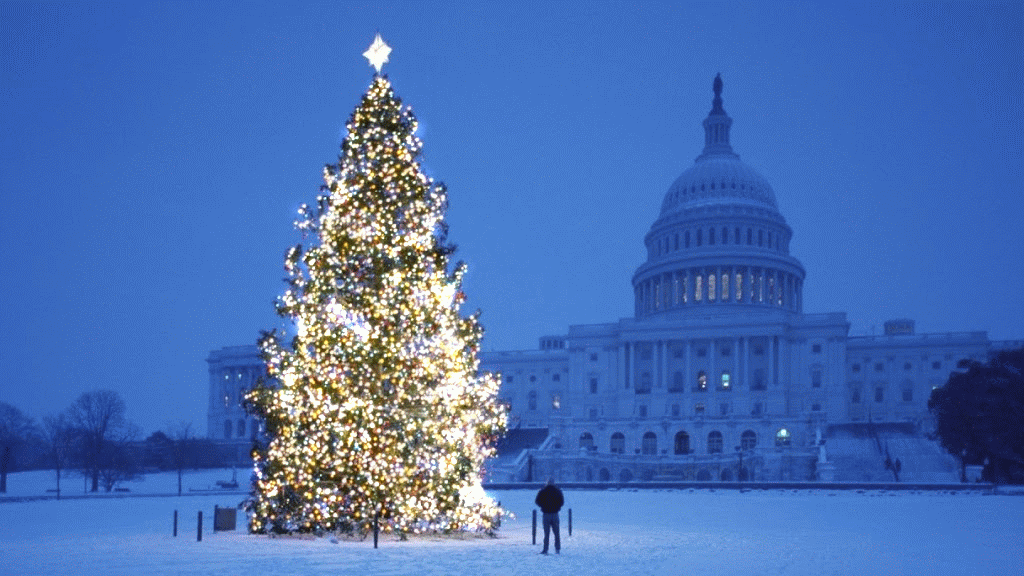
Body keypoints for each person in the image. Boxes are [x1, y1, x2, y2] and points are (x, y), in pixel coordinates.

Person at [535, 478, 564, 554]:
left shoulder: (542, 491)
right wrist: (557, 507)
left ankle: (545, 549)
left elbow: (537, 501)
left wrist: (543, 506)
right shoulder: (558, 491)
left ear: (547, 483)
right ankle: (557, 549)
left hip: (546, 514)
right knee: (557, 533)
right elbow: (562, 502)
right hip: (555, 514)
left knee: (546, 533)